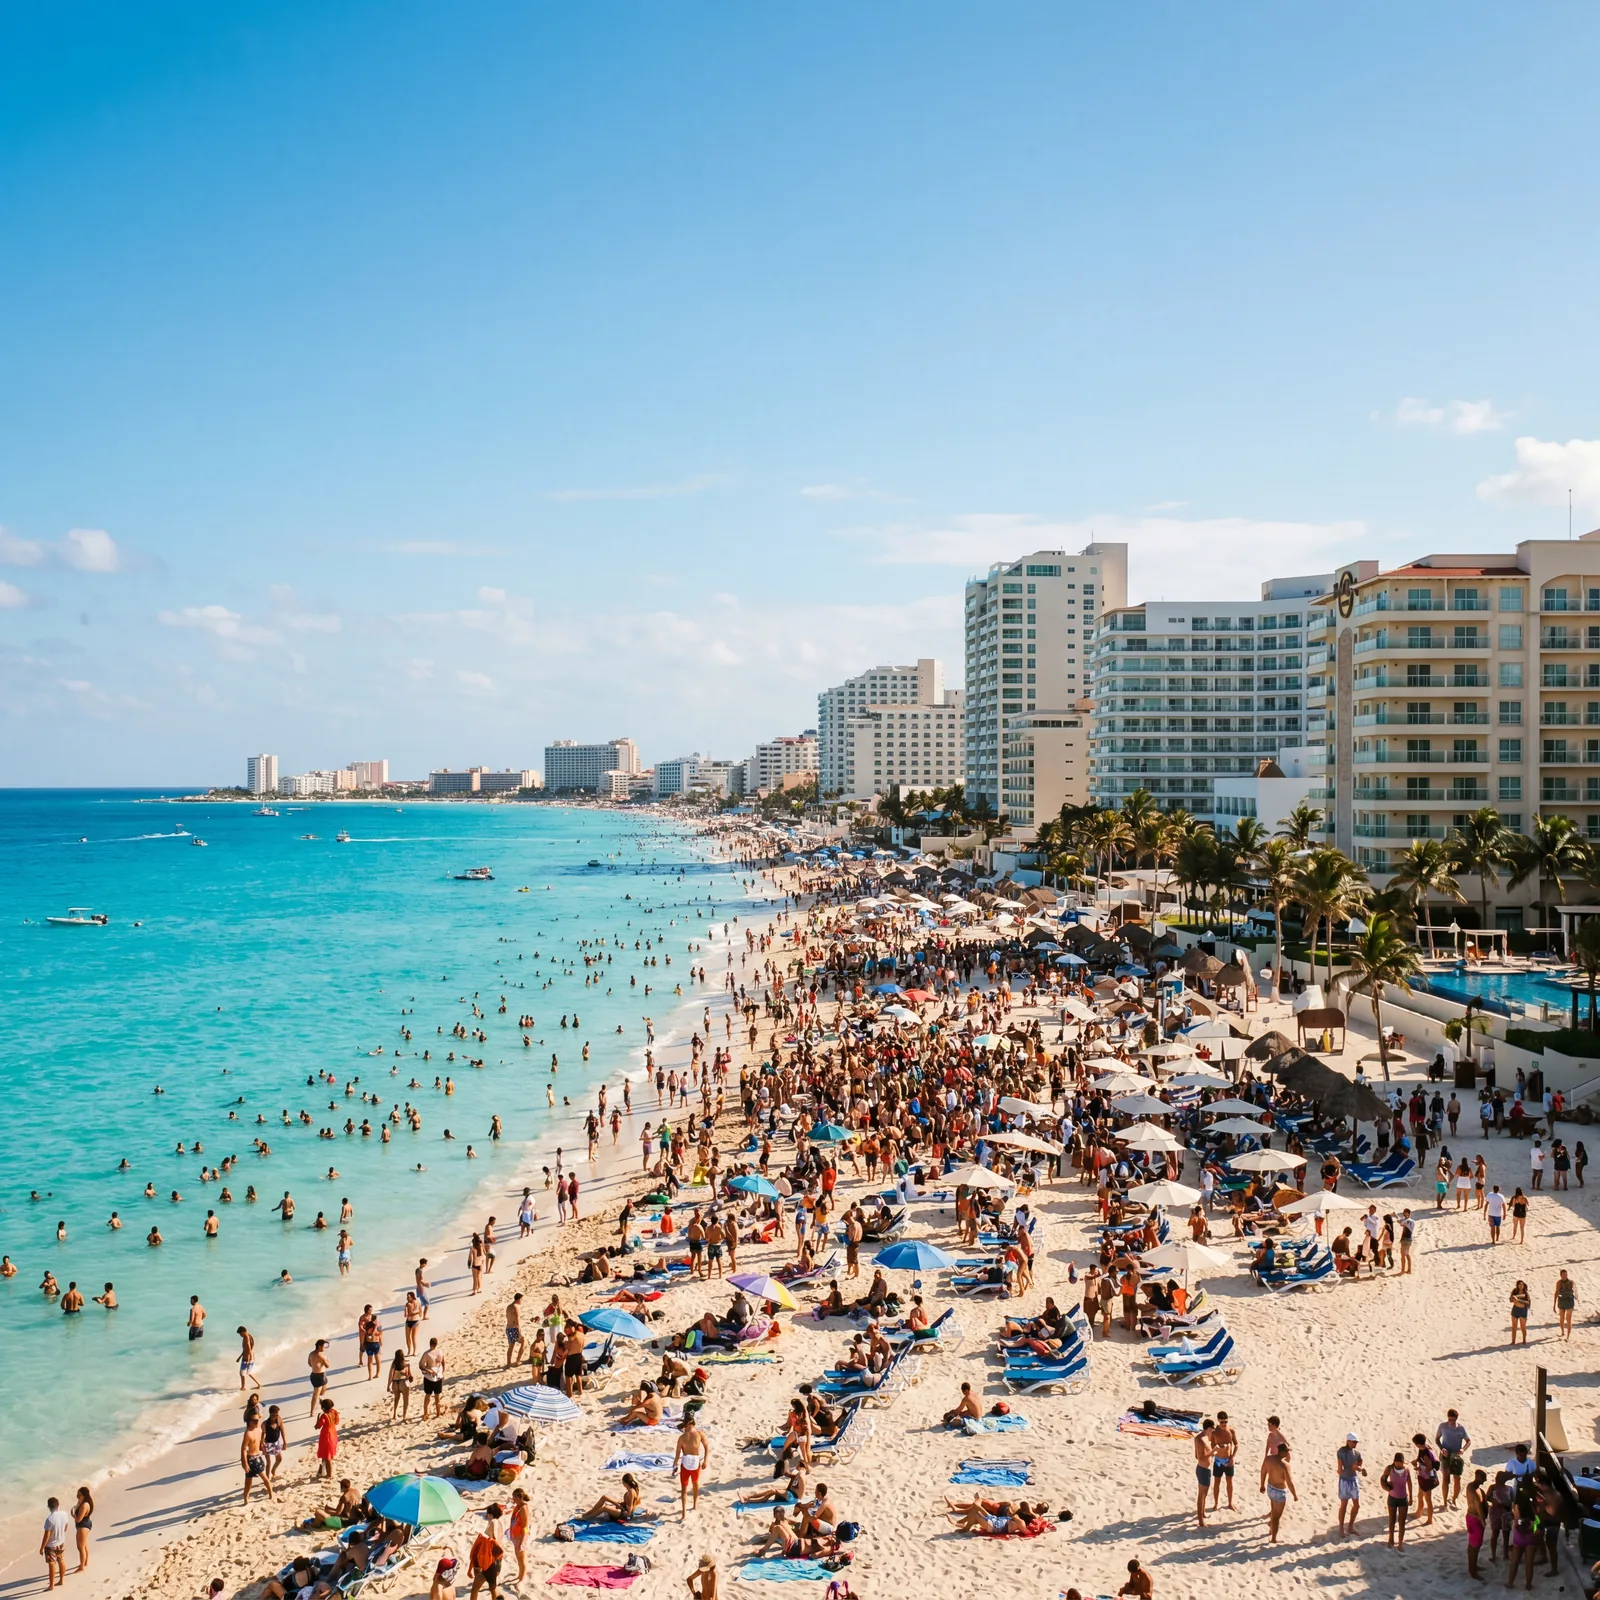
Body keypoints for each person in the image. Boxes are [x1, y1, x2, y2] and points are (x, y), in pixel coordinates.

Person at [674, 1412, 709, 1519]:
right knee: (695, 1483)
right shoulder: (699, 1434)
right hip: (695, 1462)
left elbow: (677, 1454)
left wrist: (675, 1465)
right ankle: (694, 1505)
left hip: (685, 1462)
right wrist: (705, 1461)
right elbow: (707, 1447)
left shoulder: (681, 1437)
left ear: (685, 1424)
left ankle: (684, 1513)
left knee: (684, 1488)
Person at [1260, 1444, 1297, 1542]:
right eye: (1287, 1451)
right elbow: (1289, 1482)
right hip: (1279, 1491)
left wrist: (1262, 1485)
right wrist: (1295, 1495)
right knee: (1277, 1517)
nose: (1288, 1453)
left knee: (1273, 1509)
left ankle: (1271, 1530)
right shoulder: (1285, 1465)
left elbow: (1263, 1472)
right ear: (1283, 1452)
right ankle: (1273, 1539)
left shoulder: (1268, 1459)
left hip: (1270, 1488)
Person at [468, 1505, 505, 1600]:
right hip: (498, 1561)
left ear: (490, 1514)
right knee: (492, 1587)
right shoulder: (500, 1522)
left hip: (489, 1562)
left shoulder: (492, 1522)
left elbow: (491, 1540)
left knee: (475, 1589)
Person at [1436, 1411, 1470, 1508]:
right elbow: (1437, 1439)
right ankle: (1445, 1501)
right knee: (1445, 1479)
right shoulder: (1443, 1426)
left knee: (1457, 1478)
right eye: (1449, 1419)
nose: (1451, 1422)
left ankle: (1454, 1499)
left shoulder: (1461, 1428)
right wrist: (1441, 1448)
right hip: (1445, 1455)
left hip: (1456, 1456)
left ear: (1456, 1419)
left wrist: (1463, 1449)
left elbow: (1468, 1441)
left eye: (1453, 1420)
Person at [1380, 1451, 1412, 1548]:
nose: (1400, 1464)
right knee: (1392, 1521)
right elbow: (1382, 1479)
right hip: (1392, 1498)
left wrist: (1411, 1496)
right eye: (1398, 1462)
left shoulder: (1406, 1470)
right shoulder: (1389, 1469)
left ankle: (1400, 1543)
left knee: (1402, 1522)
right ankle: (1391, 1540)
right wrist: (1386, 1487)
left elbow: (1409, 1483)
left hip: (1403, 1498)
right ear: (1394, 1461)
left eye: (1401, 1462)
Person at [1335, 1433, 1364, 1536]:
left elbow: (1360, 1463)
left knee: (1356, 1505)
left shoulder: (1357, 1453)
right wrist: (1352, 1468)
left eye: (1356, 1442)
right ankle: (1341, 1527)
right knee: (1344, 1505)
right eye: (1354, 1442)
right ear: (1348, 1441)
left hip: (1353, 1479)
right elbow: (1340, 1469)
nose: (1355, 1444)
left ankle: (1350, 1526)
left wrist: (1358, 1468)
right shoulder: (1341, 1452)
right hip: (1344, 1480)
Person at [41, 1497, 71, 1591]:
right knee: (61, 1560)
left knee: (52, 1564)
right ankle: (61, 1580)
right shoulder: (64, 1514)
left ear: (49, 1507)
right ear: (58, 1505)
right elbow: (66, 1528)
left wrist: (42, 1548)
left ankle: (51, 1585)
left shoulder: (49, 1519)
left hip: (51, 1545)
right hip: (61, 1542)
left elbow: (46, 1535)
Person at [1465, 1469, 1488, 1579]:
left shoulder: (1470, 1486)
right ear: (1478, 1477)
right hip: (1475, 1520)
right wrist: (1484, 1524)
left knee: (1471, 1544)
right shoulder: (1476, 1492)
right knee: (1476, 1546)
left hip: (1470, 1517)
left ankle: (1472, 1566)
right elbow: (1480, 1511)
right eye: (1484, 1477)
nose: (1485, 1480)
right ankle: (1473, 1572)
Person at [1194, 1419, 1214, 1528]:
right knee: (1201, 1495)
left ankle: (1202, 1513)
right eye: (1212, 1430)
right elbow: (1201, 1457)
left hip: (1205, 1469)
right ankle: (1200, 1520)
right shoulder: (1201, 1439)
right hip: (1203, 1469)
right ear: (1209, 1428)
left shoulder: (1204, 1437)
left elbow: (1196, 1455)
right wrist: (1213, 1451)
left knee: (1204, 1494)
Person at [420, 1336, 446, 1419]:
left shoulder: (427, 1354)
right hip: (438, 1376)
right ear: (436, 1344)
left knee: (427, 1395)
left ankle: (425, 1413)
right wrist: (442, 1372)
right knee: (437, 1396)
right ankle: (438, 1413)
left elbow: (421, 1365)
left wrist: (429, 1371)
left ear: (430, 1344)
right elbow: (443, 1363)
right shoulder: (440, 1352)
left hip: (429, 1377)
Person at [70, 1488, 93, 1575]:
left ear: (84, 1495)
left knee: (80, 1547)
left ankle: (81, 1566)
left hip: (83, 1526)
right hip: (83, 1525)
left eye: (79, 1495)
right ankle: (85, 1562)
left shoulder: (85, 1505)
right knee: (84, 1545)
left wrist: (72, 1515)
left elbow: (79, 1519)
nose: (77, 1496)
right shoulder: (81, 1502)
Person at [1555, 1269, 1578, 1340]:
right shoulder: (1558, 1282)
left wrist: (1576, 1297)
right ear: (1561, 1275)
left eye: (1565, 1274)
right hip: (1561, 1301)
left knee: (1569, 1319)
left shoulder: (1571, 1282)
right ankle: (1562, 1332)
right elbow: (1556, 1292)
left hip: (1569, 1301)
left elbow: (1575, 1290)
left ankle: (1568, 1336)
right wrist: (1554, 1304)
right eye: (1563, 1274)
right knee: (1561, 1318)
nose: (1564, 1276)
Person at [1509, 1280, 1531, 1346]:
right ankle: (1513, 1341)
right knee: (1514, 1327)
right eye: (1519, 1284)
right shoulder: (1515, 1291)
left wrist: (1519, 1300)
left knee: (1522, 1327)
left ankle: (1524, 1340)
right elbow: (1510, 1300)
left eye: (1522, 1284)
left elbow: (1528, 1303)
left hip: (1523, 1310)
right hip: (1515, 1309)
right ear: (1517, 1285)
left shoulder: (1525, 1293)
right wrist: (1513, 1299)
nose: (1521, 1285)